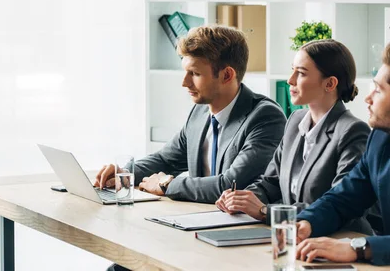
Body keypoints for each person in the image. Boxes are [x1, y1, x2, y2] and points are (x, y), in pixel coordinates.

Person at [95, 25, 286, 202]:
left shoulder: (265, 117)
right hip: (196, 218)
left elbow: (231, 185)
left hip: (243, 229)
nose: (184, 83)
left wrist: (166, 184)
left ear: (227, 75)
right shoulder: (200, 112)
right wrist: (125, 173)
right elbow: (165, 160)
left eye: (194, 73)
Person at [215, 39, 371, 232]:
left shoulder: (353, 131)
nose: (290, 80)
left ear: (330, 83)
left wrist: (265, 211)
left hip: (335, 239)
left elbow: (338, 206)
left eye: (301, 73)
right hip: (291, 234)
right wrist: (241, 199)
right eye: (292, 70)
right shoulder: (295, 120)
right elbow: (270, 182)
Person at [294, 42, 390, 266]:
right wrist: (307, 223)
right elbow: (344, 198)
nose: (368, 98)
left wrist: (359, 248)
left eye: (378, 89)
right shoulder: (380, 138)